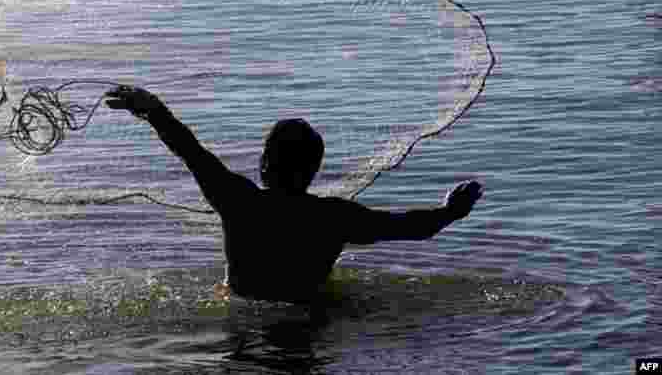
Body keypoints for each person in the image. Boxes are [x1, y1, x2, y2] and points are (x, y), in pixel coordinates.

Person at [105, 85, 484, 306]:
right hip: (309, 323)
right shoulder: (334, 217)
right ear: (313, 170)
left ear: (265, 164)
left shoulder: (239, 201)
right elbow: (411, 228)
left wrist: (153, 111)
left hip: (241, 316)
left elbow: (190, 151)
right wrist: (451, 211)